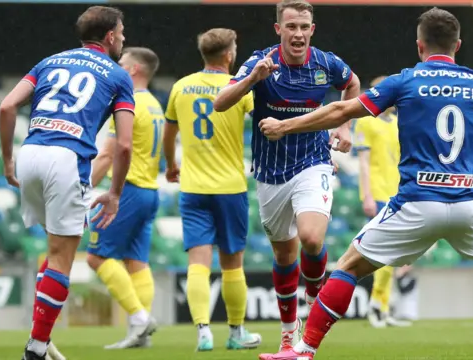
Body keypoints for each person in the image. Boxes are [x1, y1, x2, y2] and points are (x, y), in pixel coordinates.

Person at [257, 7, 473, 360]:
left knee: (347, 267)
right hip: (467, 202)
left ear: (419, 45)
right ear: (458, 45)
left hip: (418, 202)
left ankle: (304, 350)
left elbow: (341, 111)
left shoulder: (405, 80)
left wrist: (285, 126)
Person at [214, 0, 360, 351]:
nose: (298, 34)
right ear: (278, 29)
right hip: (270, 173)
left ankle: (313, 295)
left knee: (311, 238)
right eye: (291, 26)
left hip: (313, 163)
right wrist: (252, 79)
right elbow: (220, 103)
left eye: (304, 26)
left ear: (312, 29)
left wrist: (344, 126)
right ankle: (287, 333)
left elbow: (353, 84)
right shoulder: (262, 61)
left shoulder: (326, 64)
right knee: (283, 257)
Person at [0, 6, 141, 360]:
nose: (123, 39)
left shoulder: (48, 62)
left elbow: (6, 107)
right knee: (63, 258)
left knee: (53, 250)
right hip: (67, 159)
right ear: (110, 36)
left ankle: (43, 341)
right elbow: (123, 144)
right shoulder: (119, 75)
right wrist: (114, 193)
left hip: (30, 151)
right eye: (122, 33)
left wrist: (7, 160)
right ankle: (35, 349)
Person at [163, 28, 262, 352]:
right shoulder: (239, 87)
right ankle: (236, 332)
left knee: (198, 263)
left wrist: (171, 165)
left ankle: (203, 332)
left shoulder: (180, 87)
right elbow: (262, 125)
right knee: (232, 264)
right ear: (229, 55)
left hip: (192, 187)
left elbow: (169, 134)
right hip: (230, 187)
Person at [87, 47, 163, 349]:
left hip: (128, 190)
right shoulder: (155, 103)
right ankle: (139, 334)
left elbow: (108, 154)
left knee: (95, 257)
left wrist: (83, 188)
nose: (116, 67)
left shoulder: (128, 104)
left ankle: (140, 318)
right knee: (136, 262)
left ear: (132, 70)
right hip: (149, 191)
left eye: (121, 64)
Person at [353, 76, 412, 329]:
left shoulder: (398, 123)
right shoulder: (365, 122)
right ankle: (377, 307)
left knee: (394, 253)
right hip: (377, 192)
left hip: (397, 192)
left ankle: (383, 308)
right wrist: (366, 194)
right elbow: (364, 163)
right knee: (383, 253)